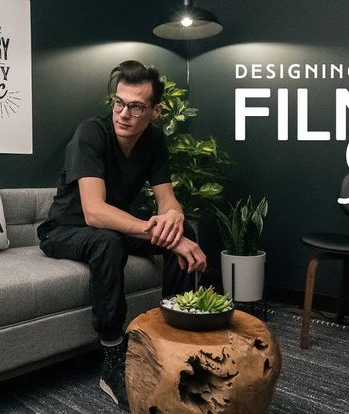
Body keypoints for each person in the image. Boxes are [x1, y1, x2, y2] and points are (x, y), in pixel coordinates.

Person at [37, 60, 207, 411]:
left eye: (136, 106)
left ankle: (170, 336)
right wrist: (162, 232)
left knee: (185, 230)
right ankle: (113, 357)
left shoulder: (154, 141)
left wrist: (174, 219)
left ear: (155, 111)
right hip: (67, 230)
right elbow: (94, 212)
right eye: (119, 102)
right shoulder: (91, 132)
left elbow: (166, 198)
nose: (124, 113)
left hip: (114, 225)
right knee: (108, 241)